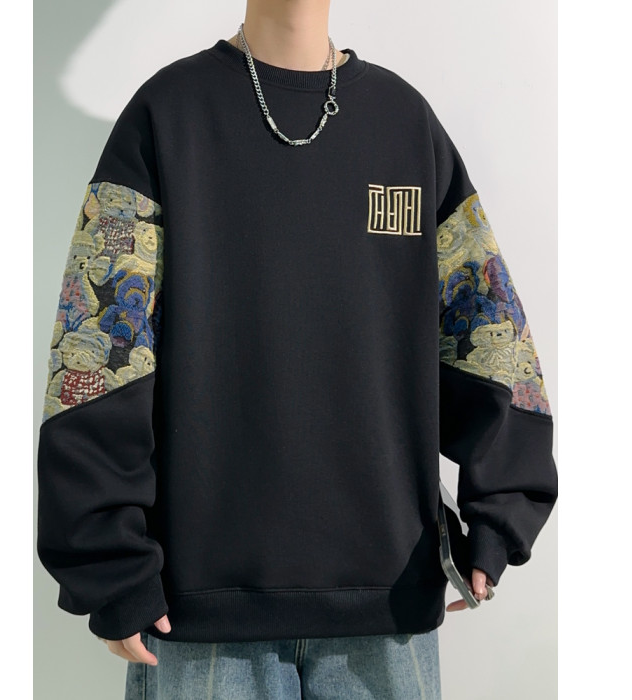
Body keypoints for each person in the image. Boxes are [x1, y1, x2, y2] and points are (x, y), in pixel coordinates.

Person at [36, 1, 558, 698]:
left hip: (388, 604)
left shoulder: (404, 123)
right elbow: (98, 350)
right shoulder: (167, 115)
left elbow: (489, 332)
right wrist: (108, 562)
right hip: (200, 618)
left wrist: (502, 511)